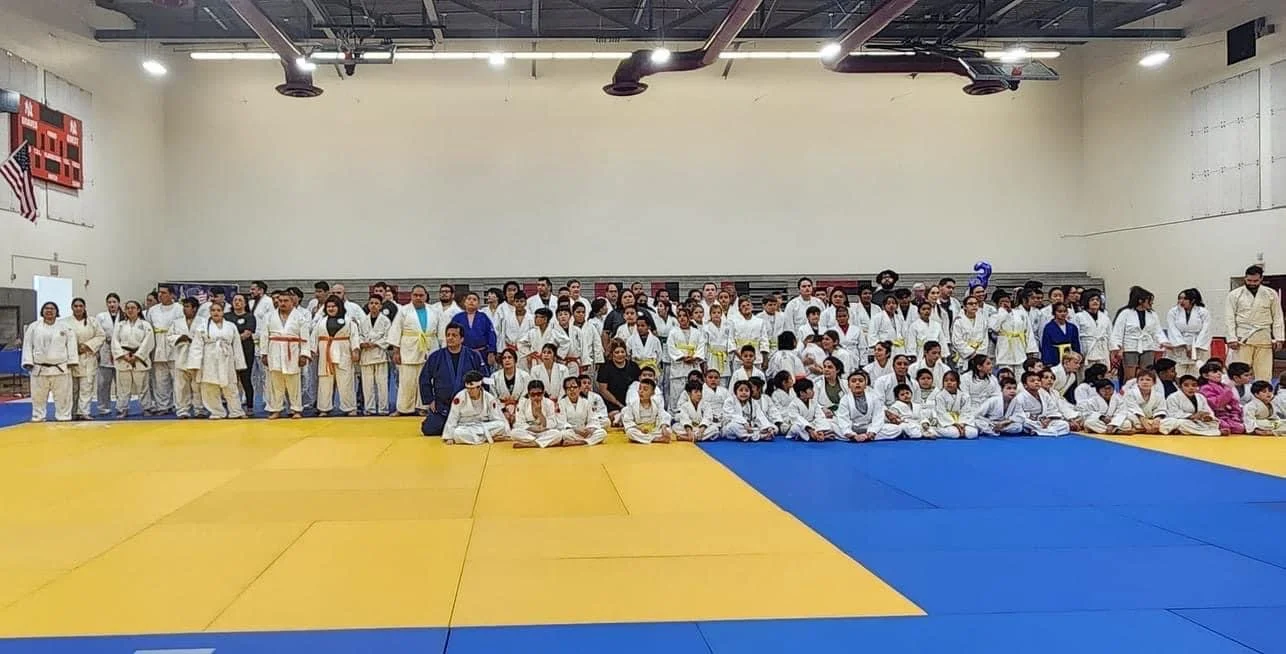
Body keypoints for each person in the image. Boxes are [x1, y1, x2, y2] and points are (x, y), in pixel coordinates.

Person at [420, 323, 488, 436]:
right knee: (429, 429)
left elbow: (484, 378)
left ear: (462, 339)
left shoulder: (473, 355)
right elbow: (424, 378)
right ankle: (456, 426)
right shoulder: (436, 356)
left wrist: (480, 400)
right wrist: (430, 400)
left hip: (468, 405)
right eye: (448, 335)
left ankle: (458, 425)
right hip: (443, 406)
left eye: (454, 335)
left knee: (476, 426)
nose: (450, 338)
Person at [188, 301, 247, 419]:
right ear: (210, 312)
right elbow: (196, 347)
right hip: (209, 358)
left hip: (227, 358)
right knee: (210, 386)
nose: (216, 313)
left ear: (223, 312)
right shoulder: (203, 327)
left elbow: (237, 346)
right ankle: (217, 412)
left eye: (218, 310)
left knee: (230, 386)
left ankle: (236, 411)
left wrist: (239, 363)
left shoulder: (231, 326)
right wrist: (194, 364)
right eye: (213, 310)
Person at [1225, 264, 1284, 381]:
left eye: (1255, 281)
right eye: (1249, 280)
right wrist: (1231, 338)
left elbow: (1278, 316)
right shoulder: (1234, 295)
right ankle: (1240, 397)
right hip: (1242, 338)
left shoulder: (1271, 294)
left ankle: (1263, 395)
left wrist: (1279, 338)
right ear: (1245, 278)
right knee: (1241, 372)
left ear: (1261, 279)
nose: (1252, 283)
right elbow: (1229, 318)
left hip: (1264, 337)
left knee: (1264, 373)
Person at [22, 302, 78, 422]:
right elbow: (27, 345)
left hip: (61, 367)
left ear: (56, 312)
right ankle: (38, 416)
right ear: (42, 311)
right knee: (38, 397)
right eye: (46, 308)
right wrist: (28, 361)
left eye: (52, 309)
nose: (49, 311)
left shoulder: (65, 327)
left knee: (63, 397)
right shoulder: (34, 327)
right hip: (39, 368)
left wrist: (72, 361)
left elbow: (71, 345)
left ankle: (64, 417)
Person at [388, 285, 439, 416]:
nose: (418, 298)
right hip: (408, 348)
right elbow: (396, 331)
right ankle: (403, 408)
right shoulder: (404, 311)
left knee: (426, 380)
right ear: (411, 296)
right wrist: (396, 351)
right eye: (415, 295)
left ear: (426, 296)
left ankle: (423, 406)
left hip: (429, 347)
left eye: (421, 295)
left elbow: (441, 333)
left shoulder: (433, 311)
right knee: (407, 380)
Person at [260, 291, 311, 419]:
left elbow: (305, 337)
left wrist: (304, 354)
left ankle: (296, 409)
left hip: (292, 351)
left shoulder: (300, 317)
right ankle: (276, 409)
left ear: (292, 302)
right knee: (275, 383)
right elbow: (264, 336)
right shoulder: (269, 316)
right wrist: (264, 353)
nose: (281, 303)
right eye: (280, 300)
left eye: (285, 301)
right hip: (274, 350)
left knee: (294, 383)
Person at [312, 296, 359, 416]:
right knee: (324, 381)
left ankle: (350, 407)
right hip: (325, 353)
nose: (331, 309)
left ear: (339, 307)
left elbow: (354, 336)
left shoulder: (348, 320)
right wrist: (313, 350)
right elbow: (314, 336)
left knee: (346, 380)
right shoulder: (321, 322)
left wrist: (355, 350)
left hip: (343, 352)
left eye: (333, 306)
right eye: (328, 306)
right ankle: (324, 408)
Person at [1111, 286, 1169, 383]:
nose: (1151, 303)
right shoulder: (1125, 313)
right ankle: (1128, 394)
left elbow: (1157, 331)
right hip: (1130, 347)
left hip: (1147, 346)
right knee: (1130, 377)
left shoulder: (1152, 314)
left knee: (1147, 373)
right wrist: (1117, 348)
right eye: (1149, 301)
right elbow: (1118, 331)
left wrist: (1164, 342)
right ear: (1140, 301)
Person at [144, 285, 183, 416]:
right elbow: (148, 329)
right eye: (159, 293)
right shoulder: (153, 310)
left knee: (177, 379)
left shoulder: (179, 308)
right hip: (157, 345)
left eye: (164, 293)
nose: (161, 295)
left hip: (174, 345)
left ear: (172, 295)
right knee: (160, 379)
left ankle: (180, 405)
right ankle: (163, 405)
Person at [112, 300, 155, 418]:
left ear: (138, 310)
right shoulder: (120, 325)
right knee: (123, 387)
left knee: (143, 385)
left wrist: (137, 355)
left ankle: (146, 407)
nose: (130, 310)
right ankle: (122, 408)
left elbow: (149, 342)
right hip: (123, 357)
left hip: (139, 358)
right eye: (128, 308)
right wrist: (123, 355)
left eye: (133, 308)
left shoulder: (145, 325)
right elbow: (115, 341)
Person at [442, 371, 508, 445]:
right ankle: (488, 438)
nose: (469, 391)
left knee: (501, 425)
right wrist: (449, 437)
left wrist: (505, 431)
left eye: (472, 388)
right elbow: (452, 417)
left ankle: (480, 438)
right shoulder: (459, 397)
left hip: (484, 426)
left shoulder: (489, 398)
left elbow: (497, 417)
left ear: (479, 387)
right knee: (457, 433)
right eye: (467, 388)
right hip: (466, 427)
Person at [65, 298, 105, 420]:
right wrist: (74, 348)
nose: (78, 308)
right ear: (72, 307)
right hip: (71, 358)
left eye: (80, 306)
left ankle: (83, 411)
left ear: (84, 307)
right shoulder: (64, 322)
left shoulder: (92, 321)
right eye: (75, 306)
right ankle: (71, 412)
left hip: (88, 357)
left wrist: (87, 346)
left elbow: (101, 336)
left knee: (86, 387)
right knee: (72, 388)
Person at [837, 370, 899, 442]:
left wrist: (872, 432)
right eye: (853, 381)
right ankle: (855, 437)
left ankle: (866, 437)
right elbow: (843, 419)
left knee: (896, 429)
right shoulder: (845, 399)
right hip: (852, 427)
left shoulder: (873, 397)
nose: (857, 383)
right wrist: (852, 434)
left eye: (860, 381)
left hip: (868, 427)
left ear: (865, 384)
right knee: (833, 426)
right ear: (849, 385)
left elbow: (878, 416)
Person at [1164, 288, 1211, 378]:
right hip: (1179, 346)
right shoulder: (1173, 312)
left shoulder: (1203, 312)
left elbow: (1205, 330)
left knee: (1196, 372)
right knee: (1178, 371)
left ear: (1192, 300)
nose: (1181, 301)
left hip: (1198, 345)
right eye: (1179, 298)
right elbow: (1172, 329)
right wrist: (1185, 346)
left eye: (1184, 299)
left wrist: (1194, 348)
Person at [169, 297, 204, 419]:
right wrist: (180, 338)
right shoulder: (177, 322)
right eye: (184, 306)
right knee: (181, 386)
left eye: (188, 306)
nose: (185, 309)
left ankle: (199, 409)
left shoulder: (203, 322)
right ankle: (182, 410)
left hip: (197, 358)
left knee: (197, 385)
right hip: (181, 356)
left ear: (195, 308)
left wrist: (192, 339)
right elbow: (169, 337)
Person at [357, 296, 391, 416]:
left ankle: (383, 408)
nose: (374, 305)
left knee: (382, 384)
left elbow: (388, 337)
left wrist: (375, 343)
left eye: (376, 303)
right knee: (367, 385)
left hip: (380, 355)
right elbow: (359, 335)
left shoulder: (385, 321)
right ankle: (369, 408)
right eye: (371, 303)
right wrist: (362, 343)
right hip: (366, 355)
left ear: (381, 306)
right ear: (368, 305)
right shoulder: (363, 321)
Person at [510, 380, 567, 448]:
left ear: (543, 393)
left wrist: (539, 412)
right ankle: (541, 442)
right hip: (529, 432)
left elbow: (552, 423)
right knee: (514, 433)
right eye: (533, 394)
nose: (536, 397)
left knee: (557, 434)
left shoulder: (549, 403)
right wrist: (532, 428)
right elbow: (519, 422)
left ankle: (531, 444)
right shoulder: (522, 403)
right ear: (528, 394)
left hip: (544, 432)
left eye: (539, 394)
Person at [1013, 370, 1070, 436]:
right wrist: (1036, 418)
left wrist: (1048, 419)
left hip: (1045, 421)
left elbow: (1052, 410)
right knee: (1023, 423)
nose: (1036, 382)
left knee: (1064, 425)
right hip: (1032, 422)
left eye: (1038, 380)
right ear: (1025, 385)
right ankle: (1046, 431)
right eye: (1032, 381)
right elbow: (1017, 414)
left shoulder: (1044, 394)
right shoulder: (1020, 397)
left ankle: (1038, 432)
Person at [450, 292, 497, 368]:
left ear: (478, 304)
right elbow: (452, 335)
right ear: (465, 303)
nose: (471, 301)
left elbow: (491, 335)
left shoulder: (483, 317)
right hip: (462, 353)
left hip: (482, 353)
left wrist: (491, 352)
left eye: (474, 300)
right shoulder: (457, 318)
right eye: (469, 299)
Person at [597, 340, 639, 424]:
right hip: (612, 403)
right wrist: (619, 405)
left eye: (622, 352)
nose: (620, 355)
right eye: (617, 352)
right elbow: (603, 390)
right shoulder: (605, 368)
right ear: (612, 354)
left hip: (630, 402)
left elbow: (637, 386)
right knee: (615, 417)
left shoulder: (633, 366)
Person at [95, 292, 123, 417]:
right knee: (103, 383)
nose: (112, 304)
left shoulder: (124, 316)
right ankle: (103, 407)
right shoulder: (101, 316)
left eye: (114, 302)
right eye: (109, 302)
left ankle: (121, 406)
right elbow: (97, 333)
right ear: (106, 304)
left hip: (121, 352)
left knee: (121, 383)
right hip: (104, 351)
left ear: (118, 303)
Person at [229, 294, 258, 413]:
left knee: (245, 379)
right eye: (235, 300)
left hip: (246, 350)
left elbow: (247, 333)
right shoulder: (227, 317)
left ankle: (250, 406)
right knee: (231, 379)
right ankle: (233, 406)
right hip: (230, 351)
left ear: (245, 303)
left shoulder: (250, 317)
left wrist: (233, 339)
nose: (237, 302)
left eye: (240, 300)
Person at [558, 377, 608, 445]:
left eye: (574, 387)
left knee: (602, 432)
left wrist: (590, 429)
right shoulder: (561, 403)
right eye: (568, 388)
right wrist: (576, 430)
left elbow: (593, 419)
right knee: (563, 434)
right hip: (572, 431)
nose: (572, 390)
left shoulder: (586, 402)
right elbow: (562, 422)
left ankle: (579, 442)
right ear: (565, 390)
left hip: (585, 431)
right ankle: (588, 441)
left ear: (579, 388)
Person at [1197, 362, 1244, 434]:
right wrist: (1227, 392)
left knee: (1240, 428)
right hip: (1215, 415)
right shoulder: (1205, 388)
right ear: (1205, 375)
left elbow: (1234, 403)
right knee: (1225, 426)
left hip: (1228, 415)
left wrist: (1235, 415)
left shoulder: (1224, 386)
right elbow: (1216, 404)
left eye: (1220, 371)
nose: (1219, 373)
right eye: (1215, 372)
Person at [622, 378, 673, 443]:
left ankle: (642, 439)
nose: (641, 391)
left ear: (653, 393)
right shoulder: (633, 404)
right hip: (639, 429)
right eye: (640, 388)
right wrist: (639, 428)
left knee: (668, 430)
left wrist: (664, 428)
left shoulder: (656, 403)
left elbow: (664, 415)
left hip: (653, 429)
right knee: (630, 432)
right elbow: (628, 420)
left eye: (645, 389)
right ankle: (655, 439)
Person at [1074, 290, 1113, 370]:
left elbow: (1110, 335)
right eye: (1092, 300)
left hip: (1102, 349)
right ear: (1086, 301)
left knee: (1102, 374)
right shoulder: (1078, 317)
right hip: (1086, 349)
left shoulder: (1104, 317)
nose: (1095, 302)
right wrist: (1078, 352)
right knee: (1085, 375)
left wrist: (1111, 350)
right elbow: (1075, 335)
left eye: (1097, 300)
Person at [933, 370, 978, 439]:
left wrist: (962, 424)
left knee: (972, 433)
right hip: (947, 422)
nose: (949, 382)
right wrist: (954, 424)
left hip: (962, 421)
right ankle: (935, 430)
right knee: (954, 433)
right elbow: (942, 413)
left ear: (958, 382)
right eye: (946, 380)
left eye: (952, 380)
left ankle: (959, 431)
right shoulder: (940, 396)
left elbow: (966, 412)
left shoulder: (965, 396)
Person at [951, 296, 988, 368]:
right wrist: (971, 353)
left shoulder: (983, 321)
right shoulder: (958, 321)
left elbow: (985, 339)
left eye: (976, 303)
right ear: (964, 307)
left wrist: (979, 353)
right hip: (965, 356)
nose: (974, 306)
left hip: (979, 355)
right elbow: (957, 341)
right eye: (970, 304)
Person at [703, 303, 733, 386]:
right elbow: (705, 344)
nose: (716, 315)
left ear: (722, 314)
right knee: (712, 377)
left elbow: (730, 340)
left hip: (724, 356)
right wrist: (705, 360)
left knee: (724, 380)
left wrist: (730, 356)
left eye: (718, 312)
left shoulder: (727, 326)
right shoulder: (706, 327)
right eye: (714, 313)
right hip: (712, 356)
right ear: (710, 314)